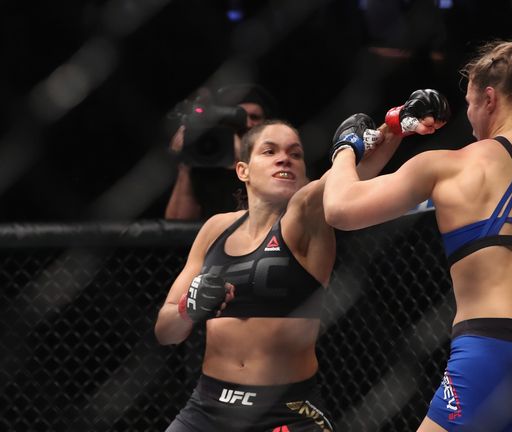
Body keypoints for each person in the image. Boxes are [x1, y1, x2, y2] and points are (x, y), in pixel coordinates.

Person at [323, 40, 512, 431]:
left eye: (469, 102)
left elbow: (339, 209)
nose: (469, 115)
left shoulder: (449, 166)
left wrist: (346, 147)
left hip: (486, 355)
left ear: (489, 98)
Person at [155, 89, 446, 431]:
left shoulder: (307, 219)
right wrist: (190, 307)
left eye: (295, 153)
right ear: (243, 170)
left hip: (284, 411)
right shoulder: (214, 229)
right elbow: (165, 331)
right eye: (270, 151)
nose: (284, 159)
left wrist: (393, 125)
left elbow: (353, 171)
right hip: (206, 408)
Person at [165, 84, 276, 221]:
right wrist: (185, 164)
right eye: (238, 118)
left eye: (254, 117)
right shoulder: (205, 158)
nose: (247, 124)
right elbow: (178, 223)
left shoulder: (277, 161)